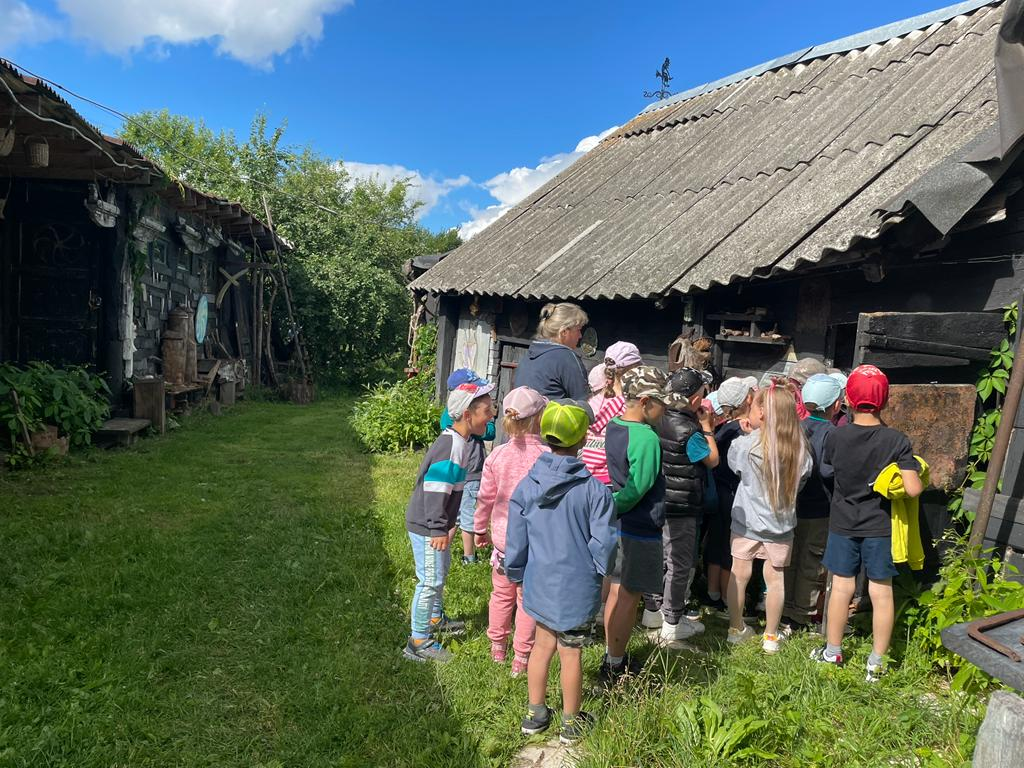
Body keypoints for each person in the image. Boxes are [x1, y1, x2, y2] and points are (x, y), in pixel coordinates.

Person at [506, 400, 617, 744]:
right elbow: (606, 542)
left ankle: (535, 714)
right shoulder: (596, 491)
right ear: (583, 439)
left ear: (543, 434)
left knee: (541, 647)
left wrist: (516, 575)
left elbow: (516, 538)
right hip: (578, 586)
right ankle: (571, 722)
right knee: (572, 653)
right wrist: (602, 573)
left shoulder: (527, 485)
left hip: (539, 582)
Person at [814, 365, 923, 682]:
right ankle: (876, 662)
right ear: (886, 401)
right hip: (880, 526)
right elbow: (914, 488)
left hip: (843, 522)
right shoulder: (896, 440)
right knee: (881, 592)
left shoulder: (836, 435)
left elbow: (829, 470)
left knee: (841, 588)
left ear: (847, 398)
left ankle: (833, 652)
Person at [403, 379, 496, 663]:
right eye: (487, 411)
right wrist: (437, 527)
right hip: (428, 524)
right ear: (468, 415)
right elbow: (434, 491)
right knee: (430, 580)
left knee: (440, 571)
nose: (491, 416)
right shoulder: (451, 446)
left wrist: (448, 521)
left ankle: (434, 619)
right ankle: (418, 641)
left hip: (437, 523)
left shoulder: (461, 442)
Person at [726, 381, 812, 654]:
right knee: (775, 580)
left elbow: (734, 467)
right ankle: (771, 637)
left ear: (762, 413)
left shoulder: (746, 445)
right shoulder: (800, 449)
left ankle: (735, 628)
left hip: (746, 521)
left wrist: (748, 435)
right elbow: (803, 482)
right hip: (781, 524)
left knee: (739, 574)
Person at [474, 387, 549, 676]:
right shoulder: (547, 456)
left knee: (501, 595)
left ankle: (497, 648)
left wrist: (479, 529)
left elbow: (485, 498)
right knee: (526, 601)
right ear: (539, 417)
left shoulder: (497, 456)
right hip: (536, 544)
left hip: (504, 542)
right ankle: (522, 657)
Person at [601, 366, 668, 682]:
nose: (664, 409)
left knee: (616, 590)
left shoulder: (614, 426)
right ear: (644, 401)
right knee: (629, 596)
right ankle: (615, 664)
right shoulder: (647, 438)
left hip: (618, 527)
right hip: (639, 527)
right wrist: (612, 507)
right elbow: (637, 488)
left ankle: (610, 654)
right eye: (660, 402)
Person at [652, 367, 720, 644]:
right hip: (683, 504)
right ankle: (672, 622)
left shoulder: (659, 419)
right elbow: (711, 460)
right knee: (680, 563)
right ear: (694, 399)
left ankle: (654, 608)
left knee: (662, 558)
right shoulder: (689, 430)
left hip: (660, 499)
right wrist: (707, 429)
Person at [781, 374, 842, 634]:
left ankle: (782, 607)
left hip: (792, 505)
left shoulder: (795, 426)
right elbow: (829, 473)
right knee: (812, 561)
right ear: (836, 406)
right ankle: (800, 614)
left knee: (790, 558)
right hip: (820, 509)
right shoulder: (833, 434)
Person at [704, 376, 757, 612]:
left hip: (718, 492)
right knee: (730, 546)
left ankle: (712, 592)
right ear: (748, 399)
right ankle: (728, 598)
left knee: (716, 542)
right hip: (735, 494)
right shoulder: (743, 432)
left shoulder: (722, 428)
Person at [440, 369, 497, 564]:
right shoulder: (468, 419)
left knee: (454, 514)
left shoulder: (448, 414)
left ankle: (441, 550)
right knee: (468, 516)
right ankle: (469, 558)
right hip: (472, 471)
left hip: (459, 471)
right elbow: (490, 432)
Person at [581, 341, 643, 486]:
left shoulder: (593, 402)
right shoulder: (629, 408)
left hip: (586, 474)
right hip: (611, 478)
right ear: (633, 371)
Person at [513, 303, 591, 401]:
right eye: (578, 330)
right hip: (551, 416)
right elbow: (581, 404)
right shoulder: (567, 357)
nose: (580, 336)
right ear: (564, 332)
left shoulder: (529, 355)